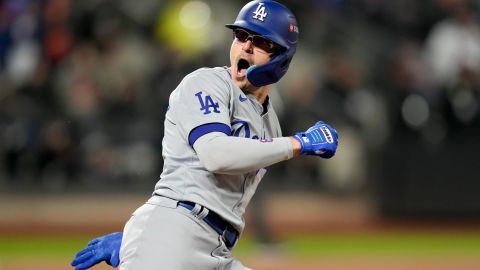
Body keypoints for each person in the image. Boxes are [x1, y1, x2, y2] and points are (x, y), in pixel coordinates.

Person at [71, 1, 339, 269]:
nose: (245, 46)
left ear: (282, 57)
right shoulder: (205, 83)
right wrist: (299, 143)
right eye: (241, 35)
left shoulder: (270, 123)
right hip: (173, 234)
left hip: (214, 247)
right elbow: (216, 154)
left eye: (259, 41)